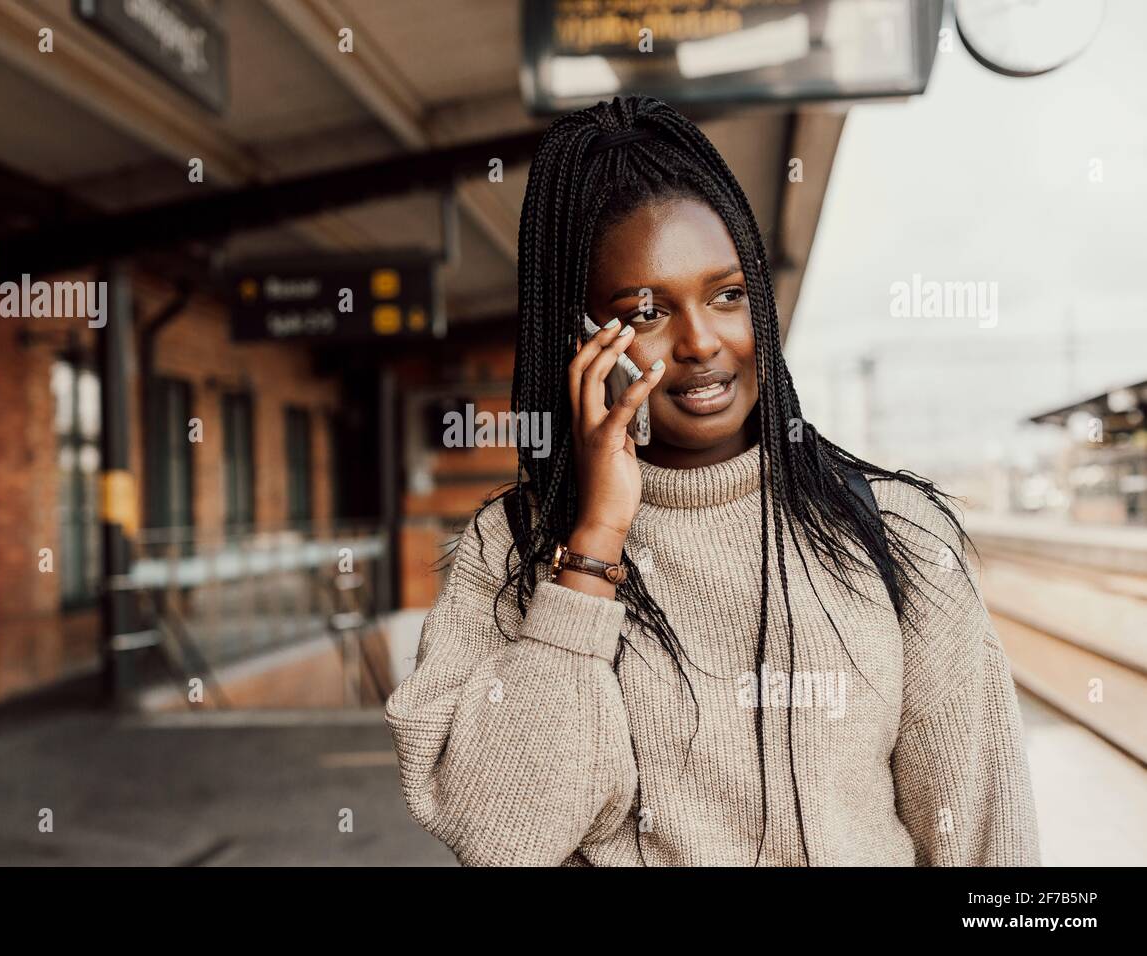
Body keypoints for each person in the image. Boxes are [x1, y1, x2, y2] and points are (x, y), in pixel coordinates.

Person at [384, 94, 1041, 867]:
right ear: (584, 338)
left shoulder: (896, 534)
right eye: (647, 310)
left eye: (728, 296)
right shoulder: (515, 550)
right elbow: (500, 835)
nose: (702, 342)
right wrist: (593, 549)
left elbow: (988, 837)